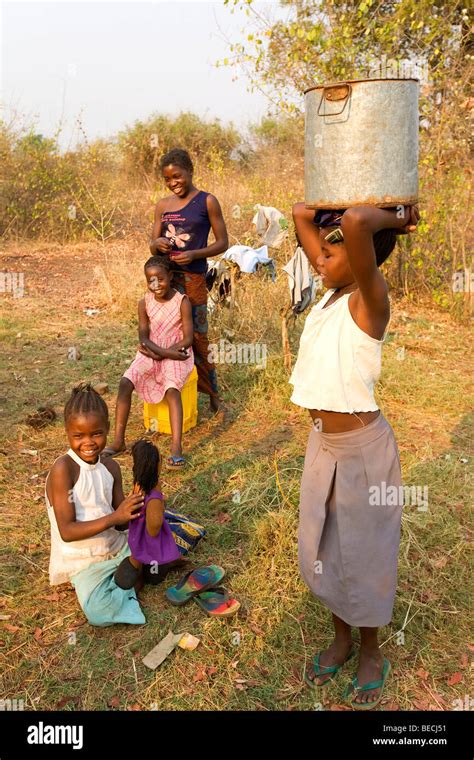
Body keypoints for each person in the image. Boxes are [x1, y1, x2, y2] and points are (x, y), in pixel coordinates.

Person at [290, 202, 419, 709]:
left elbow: (360, 224)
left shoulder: (369, 301)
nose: (318, 258)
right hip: (323, 445)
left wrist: (398, 218)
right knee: (325, 549)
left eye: (330, 250)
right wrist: (327, 216)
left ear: (363, 256)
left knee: (363, 555)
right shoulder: (327, 298)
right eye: (319, 249)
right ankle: (341, 639)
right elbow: (303, 212)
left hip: (363, 451)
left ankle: (371, 649)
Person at [45, 383, 146, 627]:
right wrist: (114, 517)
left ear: (108, 429)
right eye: (78, 436)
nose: (88, 442)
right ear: (67, 433)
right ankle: (133, 574)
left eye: (96, 434)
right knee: (98, 613)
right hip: (85, 561)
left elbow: (122, 524)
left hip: (117, 548)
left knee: (154, 536)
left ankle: (131, 571)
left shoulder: (110, 467)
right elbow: (67, 532)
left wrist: (136, 510)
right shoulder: (64, 469)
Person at [149, 147, 228, 413]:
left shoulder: (207, 201)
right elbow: (153, 246)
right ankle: (168, 391)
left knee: (197, 336)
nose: (173, 183)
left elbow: (223, 243)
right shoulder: (162, 205)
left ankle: (213, 394)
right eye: (168, 179)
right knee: (163, 333)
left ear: (190, 171)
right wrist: (156, 243)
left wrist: (194, 253)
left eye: (177, 176)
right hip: (165, 282)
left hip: (193, 279)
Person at [104, 255, 194, 468]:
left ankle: (176, 449)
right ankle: (118, 441)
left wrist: (164, 353)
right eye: (150, 281)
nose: (155, 285)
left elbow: (188, 338)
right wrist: (157, 352)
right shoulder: (144, 303)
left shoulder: (182, 301)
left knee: (172, 390)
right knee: (125, 382)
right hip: (151, 350)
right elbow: (143, 337)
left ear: (170, 276)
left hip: (176, 351)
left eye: (160, 279)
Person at [113, 439, 184, 589]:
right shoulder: (154, 494)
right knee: (155, 575)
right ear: (155, 465)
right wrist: (159, 500)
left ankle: (136, 563)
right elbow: (155, 525)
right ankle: (150, 569)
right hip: (151, 541)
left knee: (140, 553)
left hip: (136, 533)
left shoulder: (137, 486)